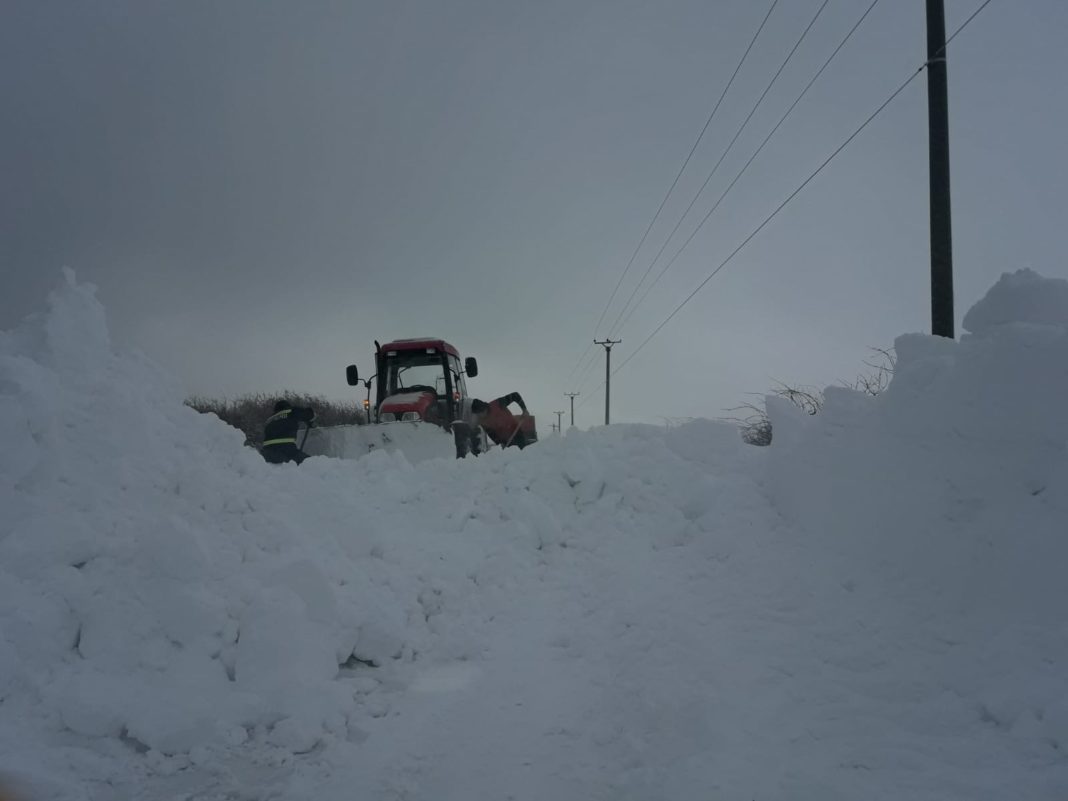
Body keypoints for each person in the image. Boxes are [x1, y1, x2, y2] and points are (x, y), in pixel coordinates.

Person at [261, 400, 316, 464]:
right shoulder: (292, 412)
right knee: (311, 463)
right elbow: (310, 414)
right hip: (286, 450)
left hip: (267, 453)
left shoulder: (269, 420)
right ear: (288, 407)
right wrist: (310, 420)